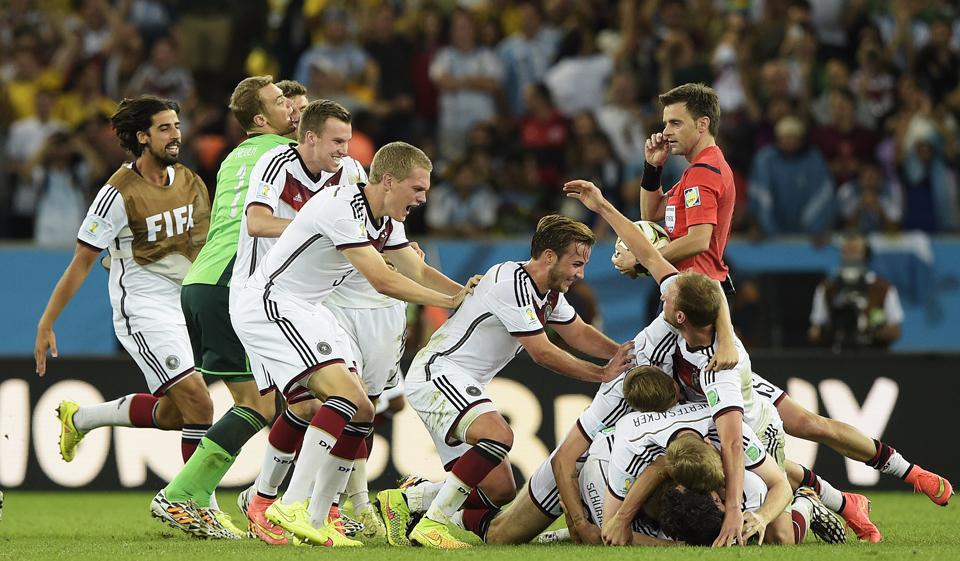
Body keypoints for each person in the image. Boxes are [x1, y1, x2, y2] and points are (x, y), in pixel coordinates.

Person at [232, 141, 479, 547]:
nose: (423, 197)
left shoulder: (386, 219)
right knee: (342, 399)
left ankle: (316, 517)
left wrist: (466, 296)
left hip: (309, 310)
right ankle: (286, 502)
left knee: (362, 408)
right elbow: (383, 279)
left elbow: (415, 267)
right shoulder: (342, 207)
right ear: (387, 180)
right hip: (273, 303)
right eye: (417, 189)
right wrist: (449, 302)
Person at [375, 214, 635, 549]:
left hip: (459, 382)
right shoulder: (510, 281)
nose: (580, 273)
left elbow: (579, 332)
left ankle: (409, 500)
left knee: (500, 490)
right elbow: (541, 352)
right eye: (576, 263)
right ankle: (433, 524)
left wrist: (625, 358)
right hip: (438, 373)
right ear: (549, 257)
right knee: (499, 434)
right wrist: (602, 373)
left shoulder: (548, 294)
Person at [35, 96, 213, 524]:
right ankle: (196, 506)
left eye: (176, 125)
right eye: (165, 128)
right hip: (143, 306)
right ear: (142, 137)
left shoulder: (189, 180)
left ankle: (81, 418)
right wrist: (46, 322)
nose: (176, 134)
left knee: (175, 414)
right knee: (200, 405)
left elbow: (205, 249)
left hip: (182, 304)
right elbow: (81, 263)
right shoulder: (116, 194)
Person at [151, 76, 297, 539]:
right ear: (260, 119)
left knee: (248, 402)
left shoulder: (238, 155)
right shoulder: (283, 156)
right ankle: (182, 494)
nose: (291, 108)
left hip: (204, 281)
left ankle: (196, 497)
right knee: (258, 402)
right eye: (280, 103)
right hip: (229, 283)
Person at [615, 83, 735, 293]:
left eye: (675, 123)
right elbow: (651, 213)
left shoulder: (704, 171)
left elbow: (698, 240)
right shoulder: (698, 169)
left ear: (702, 124)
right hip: (688, 287)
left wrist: (641, 260)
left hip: (694, 290)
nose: (666, 132)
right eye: (666, 124)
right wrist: (652, 167)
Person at [809, 231, 904, 349]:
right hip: (838, 353)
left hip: (873, 355)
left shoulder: (883, 288)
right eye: (847, 251)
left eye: (855, 251)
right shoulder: (827, 288)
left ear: (865, 254)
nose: (851, 256)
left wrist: (880, 333)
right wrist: (822, 334)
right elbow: (816, 328)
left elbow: (896, 330)